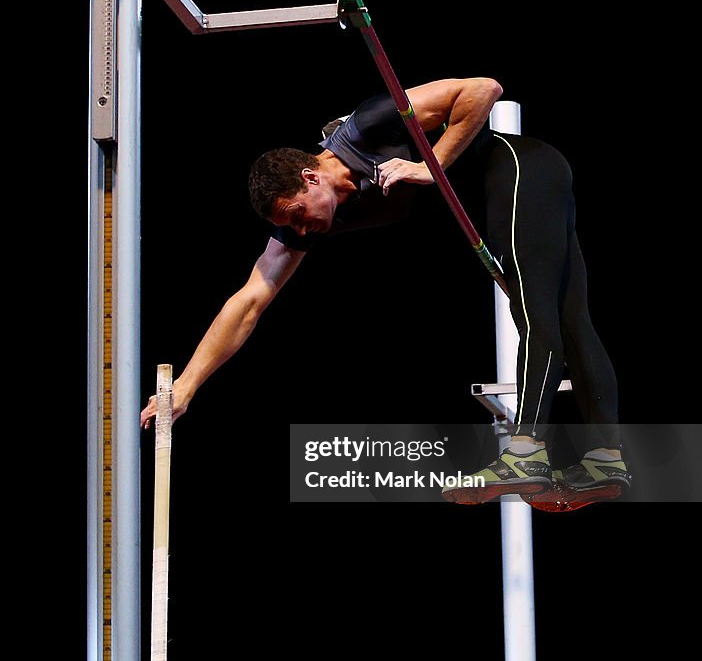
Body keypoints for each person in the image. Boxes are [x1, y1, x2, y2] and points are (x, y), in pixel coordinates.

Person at [140, 77, 631, 504]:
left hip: (520, 171)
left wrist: (429, 165)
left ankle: (525, 453)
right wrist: (185, 386)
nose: (304, 231)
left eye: (298, 215)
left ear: (310, 178)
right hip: (496, 204)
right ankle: (605, 461)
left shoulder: (366, 127)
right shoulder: (314, 220)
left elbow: (483, 89)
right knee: (569, 320)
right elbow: (249, 300)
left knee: (535, 313)